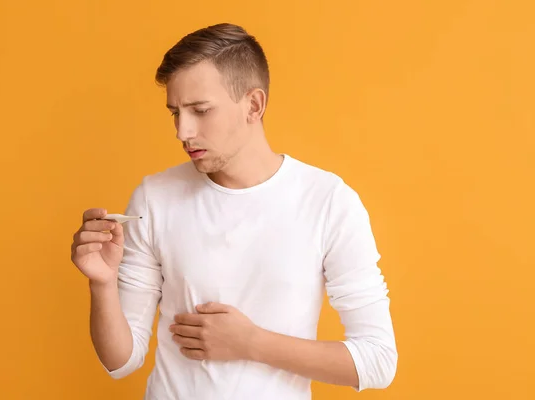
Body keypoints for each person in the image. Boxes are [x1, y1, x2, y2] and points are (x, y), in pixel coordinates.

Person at [70, 22, 397, 399]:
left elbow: (377, 361)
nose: (182, 131)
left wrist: (251, 343)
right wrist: (102, 283)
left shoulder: (328, 202)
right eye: (175, 112)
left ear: (254, 105)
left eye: (200, 110)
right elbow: (120, 362)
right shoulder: (154, 197)